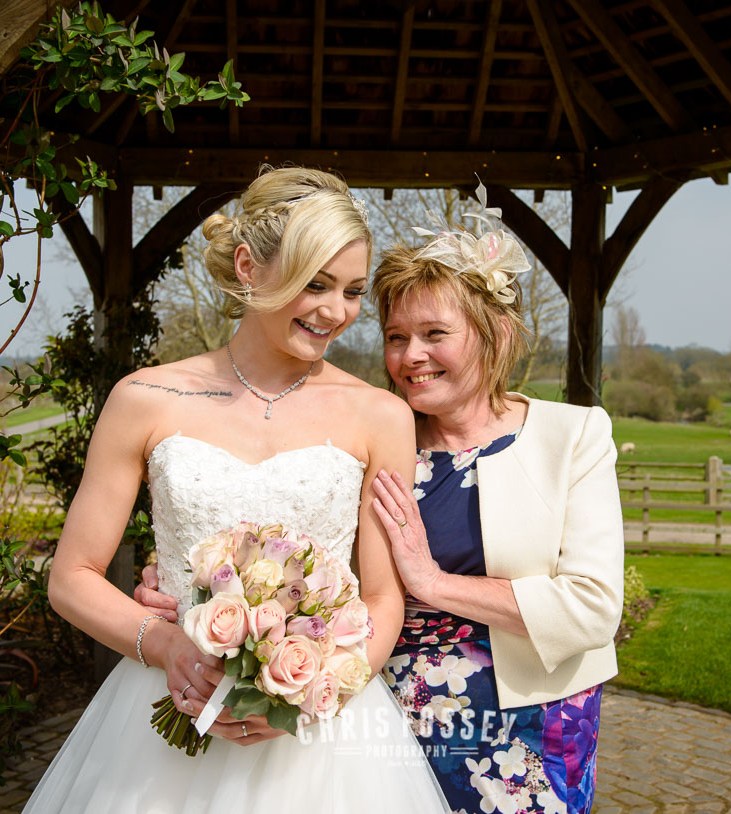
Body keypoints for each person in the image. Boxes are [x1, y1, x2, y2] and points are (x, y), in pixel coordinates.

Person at [22, 166, 449, 813]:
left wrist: (311, 691)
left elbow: (385, 596)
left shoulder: (381, 416)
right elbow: (71, 575)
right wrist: (165, 643)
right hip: (162, 716)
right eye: (316, 283)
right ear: (249, 266)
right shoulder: (143, 399)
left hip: (323, 747)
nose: (337, 311)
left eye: (353, 291)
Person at [366, 188, 625, 814]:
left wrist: (430, 581)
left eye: (435, 333)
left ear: (495, 333)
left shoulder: (573, 436)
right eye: (396, 336)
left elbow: (592, 609)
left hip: (536, 723)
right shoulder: (372, 443)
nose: (411, 356)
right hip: (386, 717)